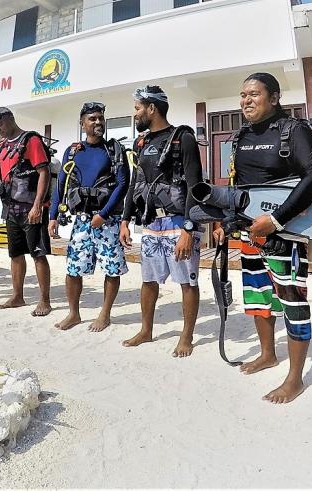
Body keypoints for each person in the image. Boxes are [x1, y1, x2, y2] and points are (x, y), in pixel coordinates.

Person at [212, 72, 312, 403]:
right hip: (251, 234)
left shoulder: (295, 131)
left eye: (254, 94)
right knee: (259, 295)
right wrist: (224, 220)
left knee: (292, 298)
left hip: (286, 234)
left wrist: (276, 221)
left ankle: (295, 378)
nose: (246, 100)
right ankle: (267, 353)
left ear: (274, 98)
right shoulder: (241, 136)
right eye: (242, 95)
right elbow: (237, 185)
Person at [120, 85, 203, 358]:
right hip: (151, 226)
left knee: (187, 282)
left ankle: (186, 336)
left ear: (151, 108)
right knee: (148, 280)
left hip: (179, 223)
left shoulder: (183, 139)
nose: (135, 114)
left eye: (137, 108)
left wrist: (188, 230)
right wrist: (125, 220)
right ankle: (146, 330)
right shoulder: (141, 143)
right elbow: (135, 183)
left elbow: (195, 185)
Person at [48, 102, 130, 332]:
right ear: (82, 123)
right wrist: (53, 215)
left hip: (107, 221)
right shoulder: (73, 151)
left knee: (112, 269)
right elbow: (61, 185)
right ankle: (73, 313)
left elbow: (123, 184)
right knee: (73, 269)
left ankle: (105, 314)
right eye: (92, 119)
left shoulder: (114, 150)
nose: (98, 122)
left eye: (100, 118)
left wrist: (103, 215)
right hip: (82, 221)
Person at [0, 107, 53, 316]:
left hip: (31, 209)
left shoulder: (31, 140)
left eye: (0, 124)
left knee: (38, 254)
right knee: (15, 254)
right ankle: (18, 296)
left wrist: (37, 206)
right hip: (11, 209)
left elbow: (44, 173)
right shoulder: (1, 146)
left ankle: (45, 300)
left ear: (11, 119)